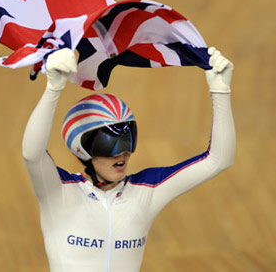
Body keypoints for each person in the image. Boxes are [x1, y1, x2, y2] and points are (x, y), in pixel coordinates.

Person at [22, 47, 235, 272]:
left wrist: (221, 90)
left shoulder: (147, 190)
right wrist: (53, 88)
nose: (122, 154)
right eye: (108, 144)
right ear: (81, 148)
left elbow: (218, 159)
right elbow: (31, 154)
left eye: (128, 140)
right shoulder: (59, 191)